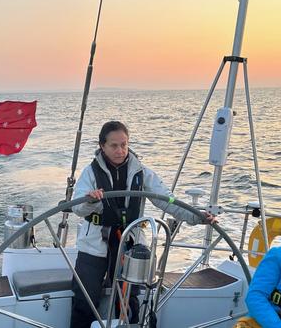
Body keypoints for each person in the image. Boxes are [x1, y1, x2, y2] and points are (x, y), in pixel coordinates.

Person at [69, 121, 214, 328]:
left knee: (130, 298)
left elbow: (166, 200)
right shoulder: (90, 173)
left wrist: (196, 217)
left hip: (132, 243)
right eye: (114, 145)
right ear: (102, 146)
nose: (120, 150)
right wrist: (90, 200)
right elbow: (77, 208)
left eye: (124, 144)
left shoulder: (142, 171)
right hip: (94, 244)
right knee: (85, 297)